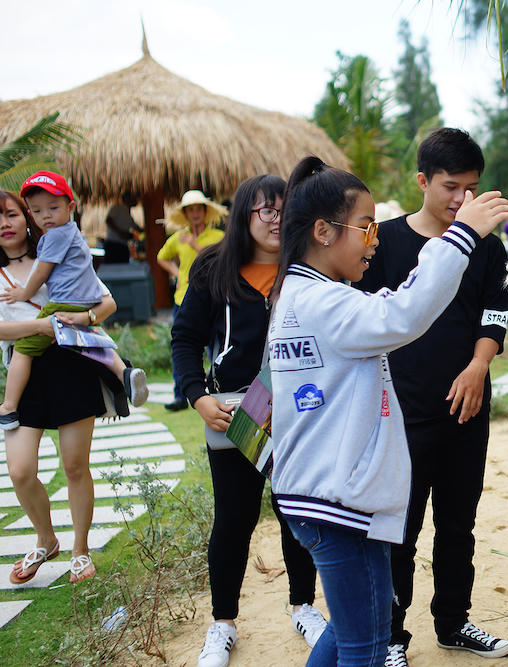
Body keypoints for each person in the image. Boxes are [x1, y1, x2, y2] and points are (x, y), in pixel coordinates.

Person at [269, 155, 508, 667]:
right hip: (336, 502)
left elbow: (397, 305)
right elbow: (401, 313)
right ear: (322, 231)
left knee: (359, 624)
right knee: (365, 646)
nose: (374, 239)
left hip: (327, 492)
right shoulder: (321, 302)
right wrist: (462, 236)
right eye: (365, 227)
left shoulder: (307, 293)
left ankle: (452, 619)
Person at [353, 128, 508, 667]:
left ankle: (453, 622)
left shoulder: (487, 246)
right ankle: (392, 637)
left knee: (458, 524)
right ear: (421, 181)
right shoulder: (385, 244)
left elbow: (495, 313)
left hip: (467, 408)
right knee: (399, 529)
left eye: (471, 188)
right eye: (450, 187)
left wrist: (478, 365)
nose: (462, 201)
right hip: (402, 412)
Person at [170, 175, 325, 667]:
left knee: (295, 513)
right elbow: (185, 339)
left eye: (285, 211)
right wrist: (197, 397)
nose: (277, 220)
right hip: (235, 414)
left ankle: (303, 606)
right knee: (233, 519)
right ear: (245, 214)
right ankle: (223, 624)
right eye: (267, 211)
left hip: (295, 414)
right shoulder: (213, 267)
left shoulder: (305, 268)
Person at [0, 189, 128, 585]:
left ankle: (80, 550)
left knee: (75, 467)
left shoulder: (61, 250)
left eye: (10, 214)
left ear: (28, 217)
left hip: (71, 368)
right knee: (21, 471)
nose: (5, 224)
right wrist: (42, 326)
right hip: (26, 376)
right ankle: (45, 538)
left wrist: (84, 316)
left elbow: (106, 303)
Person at [0, 171, 147, 430]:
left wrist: (25, 295)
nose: (46, 215)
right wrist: (83, 317)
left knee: (24, 350)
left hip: (65, 353)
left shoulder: (53, 238)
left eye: (11, 214)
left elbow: (42, 274)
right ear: (32, 213)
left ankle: (8, 406)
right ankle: (121, 375)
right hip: (76, 310)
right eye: (38, 210)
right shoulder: (73, 235)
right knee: (94, 337)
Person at [158, 190, 227, 411]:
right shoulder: (178, 238)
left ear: (205, 212)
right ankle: (181, 395)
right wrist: (177, 273)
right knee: (183, 345)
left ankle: (217, 389)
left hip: (214, 298)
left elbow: (223, 258)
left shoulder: (218, 237)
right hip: (183, 298)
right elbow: (161, 257)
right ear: (185, 214)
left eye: (199, 209)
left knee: (215, 348)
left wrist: (195, 245)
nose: (195, 213)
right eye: (191, 210)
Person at [104, 192, 141, 263]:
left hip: (122, 245)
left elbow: (136, 228)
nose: (136, 199)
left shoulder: (128, 213)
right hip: (113, 245)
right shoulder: (117, 208)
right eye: (134, 198)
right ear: (127, 199)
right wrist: (120, 232)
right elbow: (109, 220)